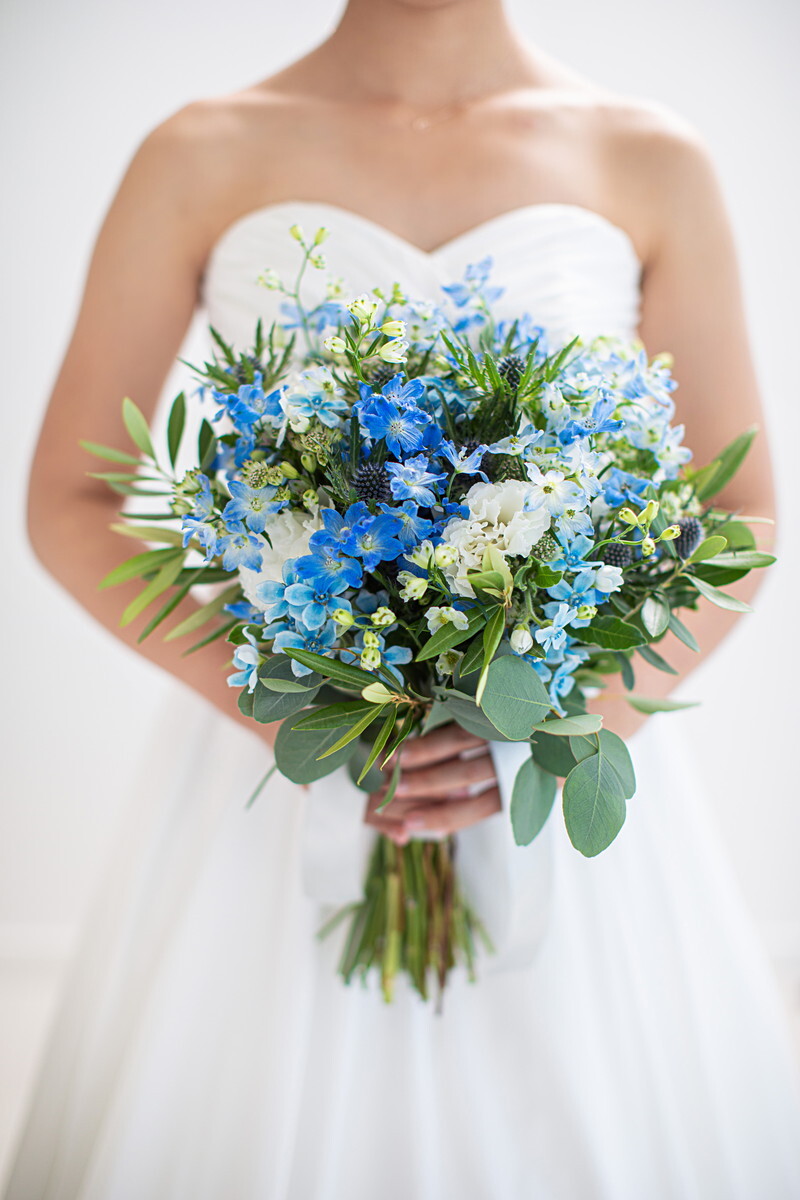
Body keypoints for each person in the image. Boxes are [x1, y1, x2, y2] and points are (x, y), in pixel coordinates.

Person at [10, 0, 800, 1196]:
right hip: (272, 759)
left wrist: (566, 721)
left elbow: (737, 515)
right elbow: (73, 494)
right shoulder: (198, 151)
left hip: (552, 759)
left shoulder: (648, 158)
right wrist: (298, 711)